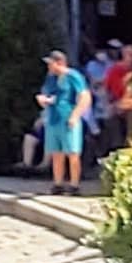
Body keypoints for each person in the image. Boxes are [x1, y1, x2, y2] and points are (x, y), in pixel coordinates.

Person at [38, 48, 93, 191]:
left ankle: (74, 184)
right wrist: (43, 99)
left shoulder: (73, 76)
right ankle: (58, 183)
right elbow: (47, 93)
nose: (49, 67)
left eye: (51, 63)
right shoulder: (51, 78)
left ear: (60, 63)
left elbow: (85, 96)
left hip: (69, 117)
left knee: (73, 153)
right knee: (56, 153)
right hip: (54, 118)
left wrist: (75, 115)